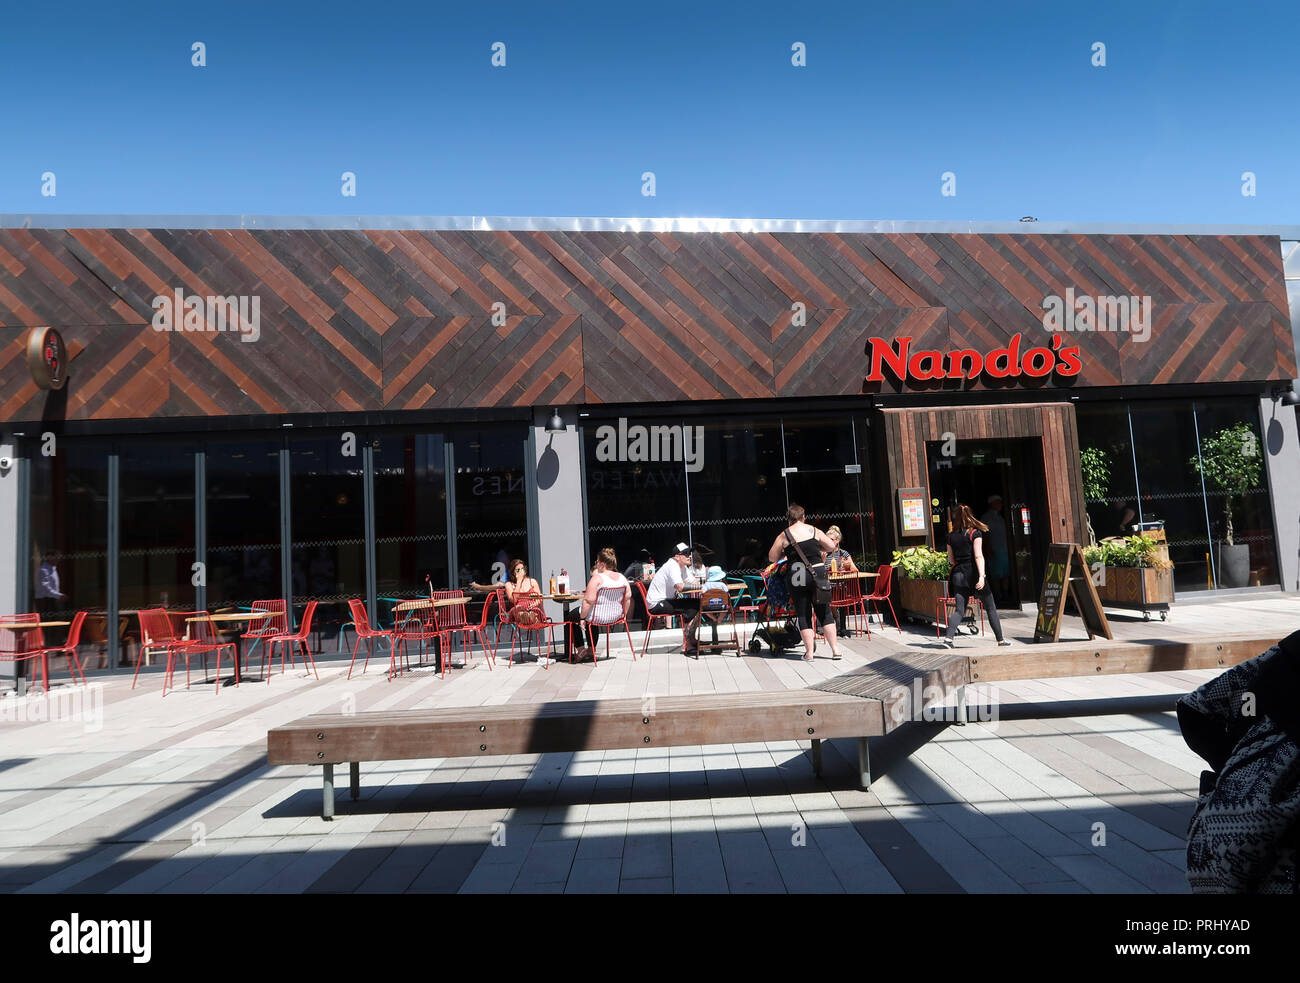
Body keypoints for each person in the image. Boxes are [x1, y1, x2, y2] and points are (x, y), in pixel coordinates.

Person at [767, 504, 842, 661]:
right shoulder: (814, 530)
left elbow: (772, 558)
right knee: (825, 611)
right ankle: (835, 650)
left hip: (797, 572)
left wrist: (785, 551)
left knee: (803, 612)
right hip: (818, 570)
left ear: (789, 519)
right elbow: (830, 546)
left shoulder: (784, 535)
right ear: (803, 516)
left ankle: (809, 653)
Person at [941, 504, 1012, 648]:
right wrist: (982, 576)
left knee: (960, 610)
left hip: (958, 574)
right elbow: (979, 556)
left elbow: (951, 560)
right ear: (970, 516)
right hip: (973, 573)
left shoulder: (950, 537)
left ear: (956, 518)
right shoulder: (975, 533)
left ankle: (948, 639)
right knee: (990, 607)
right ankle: (1000, 640)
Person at [568, 547, 632, 662]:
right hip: (616, 616)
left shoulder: (597, 578)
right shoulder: (622, 578)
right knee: (590, 617)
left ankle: (581, 648)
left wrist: (582, 618)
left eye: (597, 561)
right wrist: (624, 614)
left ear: (602, 564)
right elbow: (628, 598)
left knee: (572, 616)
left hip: (598, 617)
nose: (596, 564)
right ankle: (591, 649)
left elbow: (588, 601)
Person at [646, 542, 703, 652]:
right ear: (677, 557)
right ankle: (687, 643)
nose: (689, 556)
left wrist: (701, 588)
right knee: (693, 605)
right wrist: (701, 587)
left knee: (697, 603)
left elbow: (694, 581)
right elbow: (680, 587)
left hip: (666, 600)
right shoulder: (672, 565)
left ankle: (690, 639)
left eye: (689, 553)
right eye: (686, 554)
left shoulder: (682, 567)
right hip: (657, 604)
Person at [979, 495, 1012, 604]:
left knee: (1005, 573)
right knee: (995, 574)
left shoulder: (1001, 517)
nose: (1000, 505)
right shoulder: (986, 517)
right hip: (994, 549)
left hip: (1004, 548)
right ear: (992, 504)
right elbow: (985, 535)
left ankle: (1006, 594)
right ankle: (997, 595)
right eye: (998, 502)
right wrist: (988, 549)